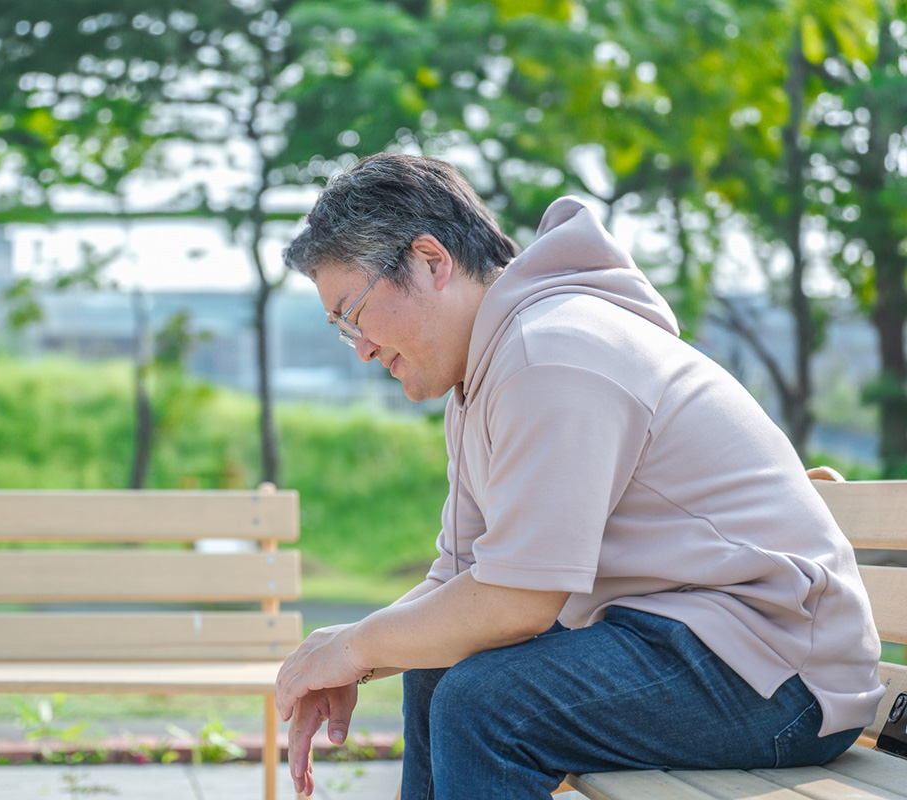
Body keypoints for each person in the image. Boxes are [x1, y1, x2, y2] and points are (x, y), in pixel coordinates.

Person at [274, 152, 884, 799]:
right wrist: (350, 652)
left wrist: (359, 647)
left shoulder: (550, 351)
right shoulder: (486, 374)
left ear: (430, 262)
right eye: (342, 330)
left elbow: (516, 606)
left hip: (779, 674)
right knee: (439, 663)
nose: (360, 346)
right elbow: (460, 582)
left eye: (353, 313)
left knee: (485, 704)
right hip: (690, 642)